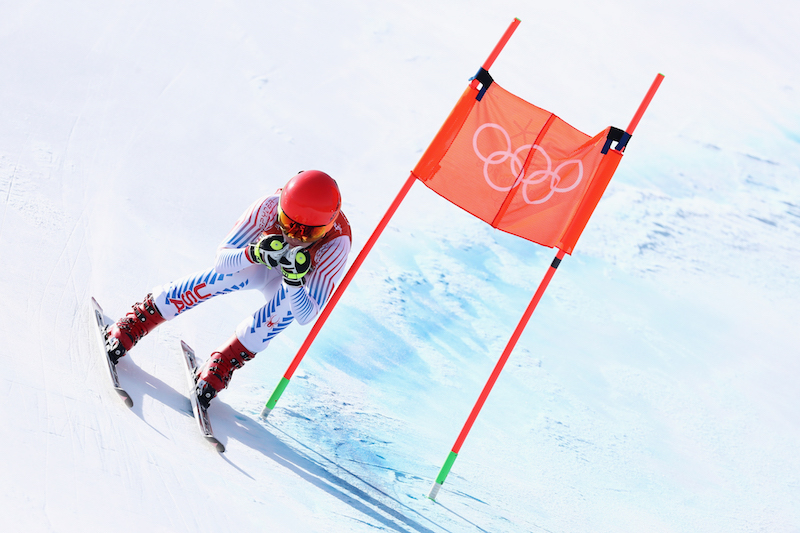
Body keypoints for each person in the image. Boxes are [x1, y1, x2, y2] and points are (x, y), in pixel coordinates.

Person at [104, 170, 351, 408]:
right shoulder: (268, 206)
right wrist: (253, 253)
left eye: (310, 232)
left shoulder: (337, 244)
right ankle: (138, 320)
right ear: (281, 207)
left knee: (286, 306)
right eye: (287, 223)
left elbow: (306, 315)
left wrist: (295, 282)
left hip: (286, 286)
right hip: (259, 266)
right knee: (225, 276)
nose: (294, 238)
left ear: (328, 227)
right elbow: (221, 260)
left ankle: (223, 362)